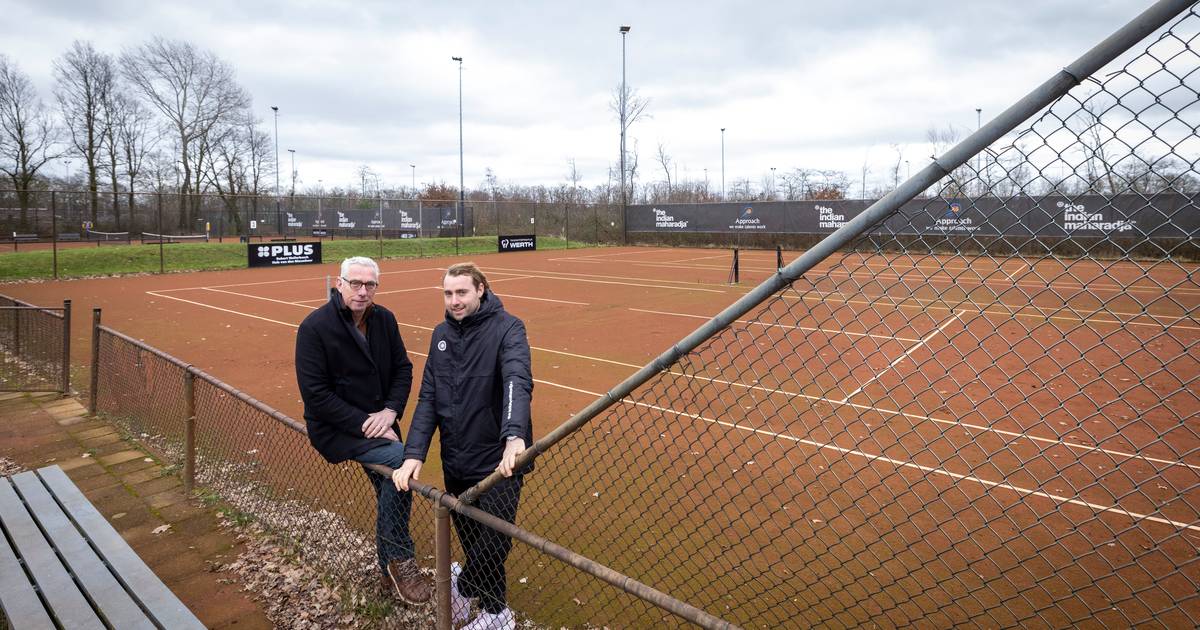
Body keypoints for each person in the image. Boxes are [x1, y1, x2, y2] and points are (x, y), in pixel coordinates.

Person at [393, 262, 533, 630]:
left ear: (481, 289)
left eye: (462, 292)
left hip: (499, 461)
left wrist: (514, 436)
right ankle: (496, 612)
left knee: (495, 543)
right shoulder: (440, 334)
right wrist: (413, 455)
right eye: (448, 293)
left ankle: (459, 583)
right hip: (457, 459)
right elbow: (427, 400)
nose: (454, 300)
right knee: (473, 541)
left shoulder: (509, 328)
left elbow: (517, 380)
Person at [295, 256, 432, 605]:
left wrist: (389, 411)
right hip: (339, 429)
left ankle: (388, 570)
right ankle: (401, 559)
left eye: (370, 285)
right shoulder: (315, 327)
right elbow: (316, 395)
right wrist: (364, 423)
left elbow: (403, 369)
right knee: (401, 463)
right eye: (355, 283)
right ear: (339, 283)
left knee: (390, 484)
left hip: (382, 423)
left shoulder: (384, 319)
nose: (362, 291)